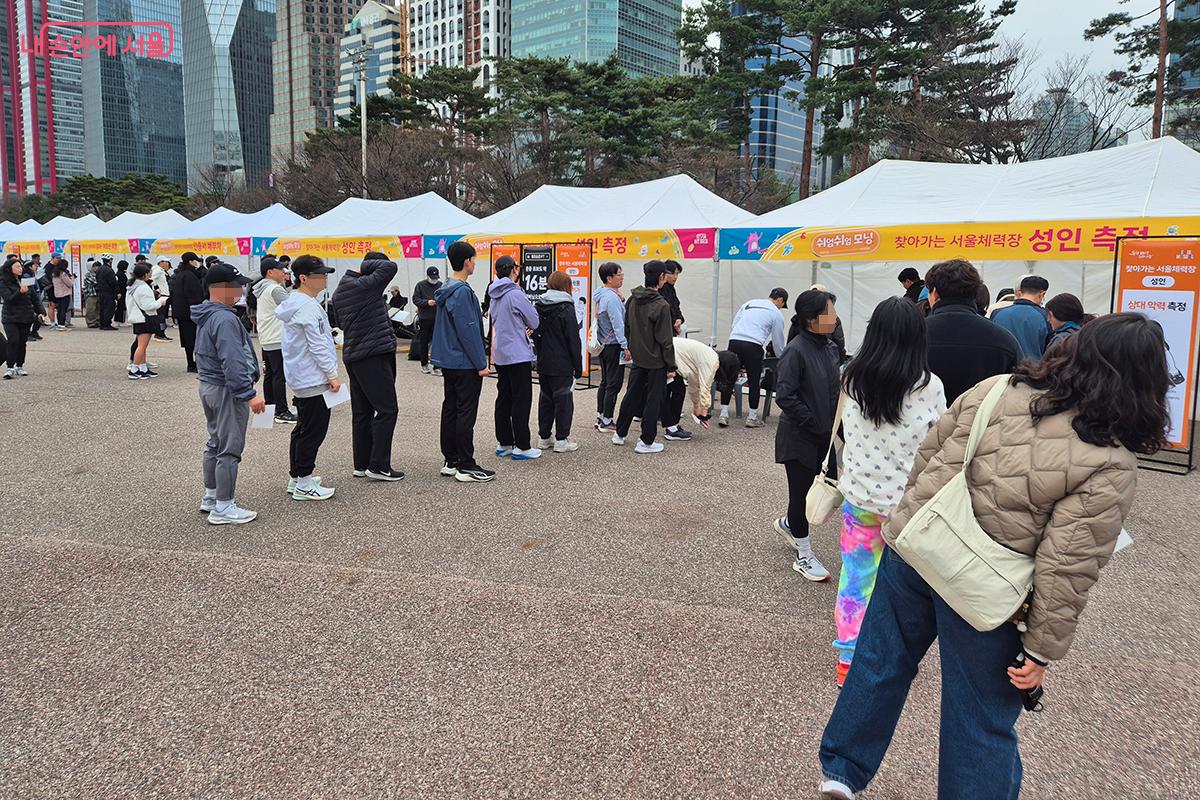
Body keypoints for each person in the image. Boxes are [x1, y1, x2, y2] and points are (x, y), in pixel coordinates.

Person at [817, 314, 1169, 800]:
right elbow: (1067, 565)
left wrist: (911, 517)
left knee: (879, 662)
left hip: (919, 551)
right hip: (987, 587)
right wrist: (1040, 649)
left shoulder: (1000, 388)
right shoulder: (1110, 459)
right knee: (979, 715)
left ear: (1075, 351)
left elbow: (930, 453)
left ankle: (841, 770)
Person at [832, 297, 946, 689]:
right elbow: (940, 442)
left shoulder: (851, 377)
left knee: (856, 578)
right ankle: (891, 655)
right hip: (908, 505)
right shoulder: (929, 386)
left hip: (860, 498)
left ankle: (848, 657)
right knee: (904, 587)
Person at [772, 288, 840, 582]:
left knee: (827, 491)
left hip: (824, 436)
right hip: (799, 436)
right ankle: (804, 554)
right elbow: (784, 396)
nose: (835, 318)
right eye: (829, 312)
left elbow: (835, 395)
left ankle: (790, 524)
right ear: (812, 319)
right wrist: (812, 421)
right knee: (800, 496)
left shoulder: (830, 348)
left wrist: (839, 430)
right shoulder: (795, 350)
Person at [190, 263, 264, 525]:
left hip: (209, 385)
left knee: (215, 442)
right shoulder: (225, 319)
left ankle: (211, 496)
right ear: (220, 288)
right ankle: (224, 506)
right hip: (226, 389)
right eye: (237, 285)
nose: (241, 290)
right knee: (230, 447)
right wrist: (248, 393)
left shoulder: (207, 314)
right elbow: (232, 359)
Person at [330, 251, 405, 481]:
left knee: (362, 412)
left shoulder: (341, 290)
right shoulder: (364, 285)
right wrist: (365, 267)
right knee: (387, 409)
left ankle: (362, 464)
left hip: (355, 354)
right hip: (374, 354)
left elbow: (340, 322)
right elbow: (390, 267)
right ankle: (379, 465)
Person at [275, 255, 341, 501]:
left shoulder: (299, 303)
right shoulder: (306, 306)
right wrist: (332, 375)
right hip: (312, 377)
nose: (324, 278)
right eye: (319, 275)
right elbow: (318, 346)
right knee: (313, 431)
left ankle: (297, 477)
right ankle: (303, 481)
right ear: (303, 278)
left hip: (303, 375)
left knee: (303, 428)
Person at [432, 241, 494, 482]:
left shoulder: (446, 288)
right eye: (474, 260)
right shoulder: (463, 291)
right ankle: (466, 464)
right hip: (465, 361)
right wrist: (481, 363)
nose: (475, 264)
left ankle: (451, 459)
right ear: (467, 261)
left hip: (449, 358)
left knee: (451, 408)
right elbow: (468, 330)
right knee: (465, 412)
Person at [924, 259, 1022, 405]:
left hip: (925, 418)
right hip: (983, 417)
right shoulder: (1004, 340)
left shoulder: (911, 335)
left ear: (935, 293)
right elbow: (1019, 390)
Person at [612, 261, 677, 454]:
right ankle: (646, 441)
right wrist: (671, 365)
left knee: (631, 395)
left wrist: (632, 347)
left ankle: (620, 433)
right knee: (653, 400)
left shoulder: (633, 299)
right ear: (661, 277)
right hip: (656, 361)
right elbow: (666, 340)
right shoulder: (661, 305)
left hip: (638, 358)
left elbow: (627, 327)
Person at [487, 255, 542, 460]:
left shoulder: (494, 293)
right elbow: (534, 321)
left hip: (500, 351)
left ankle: (504, 442)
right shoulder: (516, 294)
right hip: (518, 353)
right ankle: (522, 446)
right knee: (521, 399)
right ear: (513, 270)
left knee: (504, 397)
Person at [721, 288, 788, 428]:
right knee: (754, 381)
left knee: (729, 379)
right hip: (753, 345)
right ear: (780, 300)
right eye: (783, 305)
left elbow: (734, 324)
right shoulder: (776, 313)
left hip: (734, 340)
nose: (781, 307)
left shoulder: (749, 303)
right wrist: (781, 358)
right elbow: (777, 341)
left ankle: (724, 414)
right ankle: (752, 417)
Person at [533, 271, 583, 453]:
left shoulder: (539, 305)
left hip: (544, 361)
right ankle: (561, 439)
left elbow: (535, 333)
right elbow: (573, 339)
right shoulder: (567, 308)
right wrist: (578, 366)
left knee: (545, 400)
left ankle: (544, 437)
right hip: (562, 363)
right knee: (563, 401)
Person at [661, 337, 741, 440]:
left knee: (676, 391)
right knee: (674, 392)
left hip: (668, 352)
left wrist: (696, 408)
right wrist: (703, 413)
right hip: (666, 353)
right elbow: (705, 388)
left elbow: (694, 384)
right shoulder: (711, 361)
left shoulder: (710, 356)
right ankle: (671, 429)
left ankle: (672, 427)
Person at [251, 256, 294, 419]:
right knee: (279, 376)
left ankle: (270, 409)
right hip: (277, 337)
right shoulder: (275, 289)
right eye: (280, 269)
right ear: (270, 272)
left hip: (267, 336)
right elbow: (292, 309)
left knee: (270, 375)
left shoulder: (262, 287)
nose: (284, 272)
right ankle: (281, 411)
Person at [592, 261, 629, 433]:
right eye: (619, 274)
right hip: (614, 345)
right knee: (614, 384)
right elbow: (618, 324)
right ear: (609, 278)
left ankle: (601, 416)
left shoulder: (602, 295)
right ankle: (607, 420)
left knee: (605, 381)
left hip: (604, 344)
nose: (622, 277)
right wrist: (625, 345)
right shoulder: (611, 298)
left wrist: (622, 299)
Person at [0, 258, 47, 378]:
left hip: (26, 316)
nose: (20, 269)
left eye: (20, 266)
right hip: (10, 317)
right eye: (17, 267)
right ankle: (10, 367)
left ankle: (20, 366)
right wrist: (19, 292)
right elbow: (8, 299)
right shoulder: (4, 282)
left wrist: (40, 312)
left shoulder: (26, 281)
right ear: (9, 269)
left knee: (22, 342)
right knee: (13, 341)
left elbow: (35, 298)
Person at [991, 275, 1051, 360]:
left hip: (1002, 366)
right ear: (1042, 294)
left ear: (1019, 292)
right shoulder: (1046, 316)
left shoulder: (997, 313)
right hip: (1034, 366)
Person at [125, 263, 168, 380]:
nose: (151, 273)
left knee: (142, 346)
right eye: (150, 271)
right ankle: (134, 369)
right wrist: (160, 302)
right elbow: (148, 306)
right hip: (145, 318)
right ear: (145, 274)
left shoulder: (132, 286)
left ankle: (142, 368)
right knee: (142, 346)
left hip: (139, 318)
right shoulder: (143, 287)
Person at [173, 252, 207, 374]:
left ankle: (191, 363)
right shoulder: (190, 276)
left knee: (187, 339)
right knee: (194, 339)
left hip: (182, 312)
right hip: (190, 313)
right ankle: (195, 364)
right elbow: (194, 295)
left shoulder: (181, 274)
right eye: (196, 260)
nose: (198, 263)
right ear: (191, 261)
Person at [412, 266, 442, 373]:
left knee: (437, 342)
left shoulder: (440, 285)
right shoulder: (420, 285)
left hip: (437, 317)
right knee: (424, 342)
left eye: (436, 278)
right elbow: (415, 299)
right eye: (432, 278)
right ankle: (424, 364)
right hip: (424, 318)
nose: (434, 280)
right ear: (427, 276)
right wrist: (426, 302)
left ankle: (437, 366)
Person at [150, 257, 173, 341]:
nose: (167, 264)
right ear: (161, 262)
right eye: (166, 262)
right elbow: (150, 279)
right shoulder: (158, 270)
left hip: (164, 295)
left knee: (161, 315)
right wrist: (156, 289)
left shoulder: (160, 270)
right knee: (161, 316)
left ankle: (160, 333)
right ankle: (160, 334)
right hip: (162, 296)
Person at [661, 259, 685, 335]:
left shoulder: (671, 289)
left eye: (677, 274)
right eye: (673, 274)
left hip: (672, 330)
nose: (675, 277)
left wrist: (679, 319)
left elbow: (676, 307)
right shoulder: (659, 289)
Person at [50, 260, 75, 330]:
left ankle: (59, 324)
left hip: (57, 293)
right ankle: (62, 325)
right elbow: (70, 284)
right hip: (65, 293)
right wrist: (72, 278)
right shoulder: (63, 274)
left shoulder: (54, 273)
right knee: (64, 310)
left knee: (59, 310)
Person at [96, 257, 119, 330]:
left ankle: (102, 324)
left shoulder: (99, 269)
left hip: (100, 291)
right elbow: (113, 282)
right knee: (109, 308)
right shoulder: (109, 270)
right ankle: (107, 324)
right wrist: (117, 291)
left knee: (102, 308)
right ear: (110, 260)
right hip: (109, 292)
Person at [82, 259, 100, 328]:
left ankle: (97, 322)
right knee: (91, 309)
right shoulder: (88, 275)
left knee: (98, 309)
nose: (96, 267)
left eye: (96, 266)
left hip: (97, 294)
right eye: (94, 266)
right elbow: (96, 281)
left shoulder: (98, 274)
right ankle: (91, 323)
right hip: (90, 295)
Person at [114, 260, 128, 325]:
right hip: (122, 292)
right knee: (121, 307)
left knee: (119, 307)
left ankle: (118, 321)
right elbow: (124, 284)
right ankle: (121, 321)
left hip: (119, 292)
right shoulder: (122, 274)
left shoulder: (117, 273)